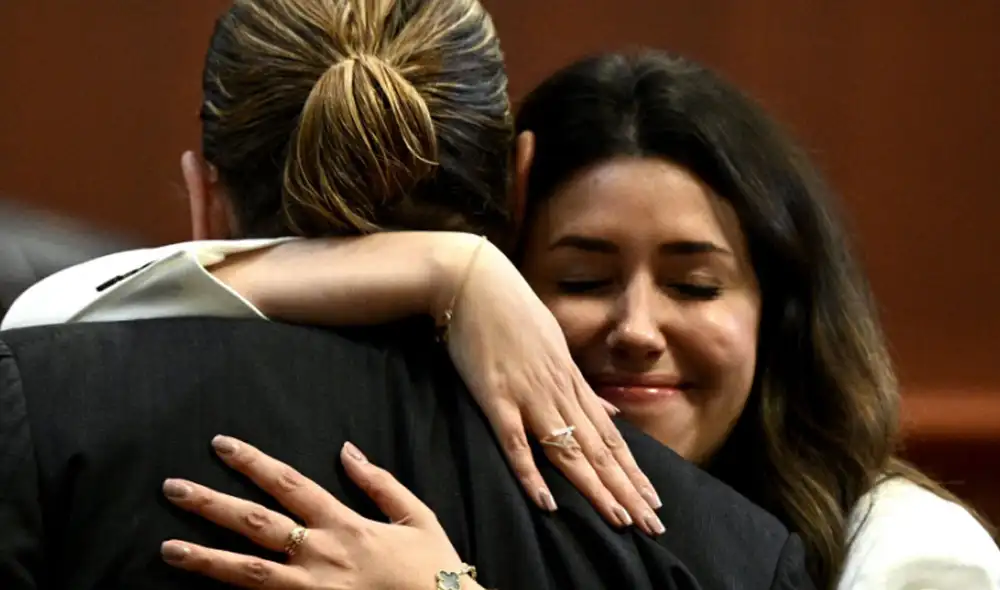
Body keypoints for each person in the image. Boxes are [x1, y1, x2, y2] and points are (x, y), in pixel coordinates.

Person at [14, 47, 997, 589]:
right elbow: (54, 322)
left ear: (782, 315)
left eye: (695, 285)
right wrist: (447, 263)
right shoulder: (466, 468)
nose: (635, 327)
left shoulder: (899, 550)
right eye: (578, 278)